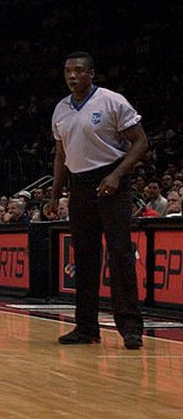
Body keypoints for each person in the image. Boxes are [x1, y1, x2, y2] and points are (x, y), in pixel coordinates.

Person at [44, 52, 148, 349]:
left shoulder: (112, 101)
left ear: (92, 73)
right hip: (79, 185)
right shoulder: (60, 110)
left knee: (120, 254)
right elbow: (61, 156)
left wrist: (116, 175)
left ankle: (130, 328)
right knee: (85, 258)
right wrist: (55, 194)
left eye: (78, 70)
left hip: (111, 181)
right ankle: (86, 328)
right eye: (67, 71)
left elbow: (141, 142)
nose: (72, 76)